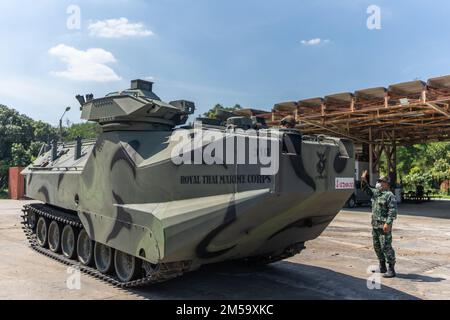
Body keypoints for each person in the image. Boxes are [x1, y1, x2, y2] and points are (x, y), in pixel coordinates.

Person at [361, 171, 398, 278]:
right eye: (379, 182)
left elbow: (392, 211)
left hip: (384, 226)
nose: (380, 184)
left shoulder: (389, 195)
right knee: (377, 246)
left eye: (382, 182)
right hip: (375, 226)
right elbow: (366, 189)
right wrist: (364, 180)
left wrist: (388, 223)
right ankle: (382, 266)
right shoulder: (376, 193)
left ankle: (391, 269)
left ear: (387, 184)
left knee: (386, 247)